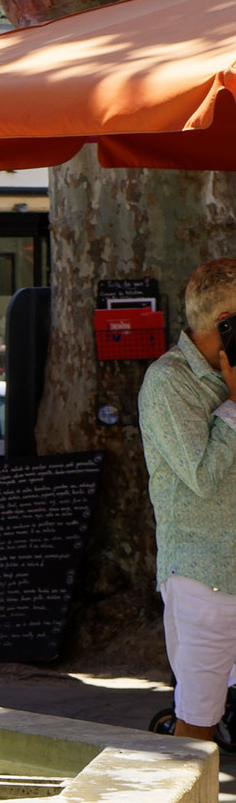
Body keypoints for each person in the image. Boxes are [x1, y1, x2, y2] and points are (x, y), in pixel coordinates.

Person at [139, 258, 236, 761]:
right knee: (197, 724)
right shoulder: (168, 383)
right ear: (224, 321)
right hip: (205, 577)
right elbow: (201, 476)